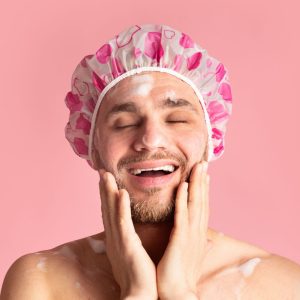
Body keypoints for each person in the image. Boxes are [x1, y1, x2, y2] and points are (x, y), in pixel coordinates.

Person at [1, 24, 300, 300]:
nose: (151, 138)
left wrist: (179, 291)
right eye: (124, 122)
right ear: (92, 145)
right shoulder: (40, 283)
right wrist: (137, 293)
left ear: (211, 138)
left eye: (177, 119)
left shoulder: (282, 286)